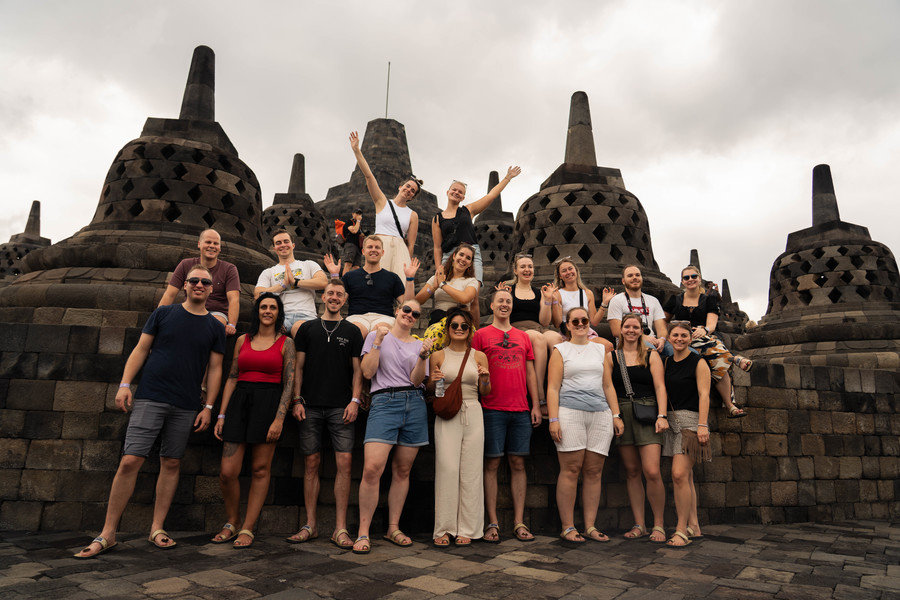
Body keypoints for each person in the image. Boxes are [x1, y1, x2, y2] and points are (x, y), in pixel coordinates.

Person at [74, 265, 225, 558]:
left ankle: (157, 527)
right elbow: (141, 349)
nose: (198, 285)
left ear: (211, 289)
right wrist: (125, 384)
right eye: (193, 280)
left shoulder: (215, 327)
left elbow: (216, 368)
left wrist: (208, 407)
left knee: (171, 461)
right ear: (185, 285)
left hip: (186, 403)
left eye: (205, 282)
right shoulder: (163, 314)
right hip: (151, 396)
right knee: (130, 460)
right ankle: (108, 533)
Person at [212, 293, 294, 549]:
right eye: (263, 307)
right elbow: (232, 377)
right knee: (227, 472)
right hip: (240, 402)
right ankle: (232, 521)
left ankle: (248, 526)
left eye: (272, 307)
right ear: (257, 311)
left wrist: (279, 419)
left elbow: (289, 384)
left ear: (278, 313)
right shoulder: (242, 340)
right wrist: (222, 414)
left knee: (260, 469)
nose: (267, 311)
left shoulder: (286, 343)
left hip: (269, 404)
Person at [286, 280, 364, 549]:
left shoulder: (352, 331)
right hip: (309, 405)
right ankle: (310, 524)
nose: (334, 297)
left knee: (345, 464)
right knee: (311, 464)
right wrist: (296, 399)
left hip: (341, 406)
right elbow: (298, 368)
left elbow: (357, 371)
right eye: (330, 293)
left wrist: (355, 401)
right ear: (323, 296)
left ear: (345, 299)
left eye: (339, 294)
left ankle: (340, 528)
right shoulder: (307, 328)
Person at [353, 300, 433, 554]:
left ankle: (393, 527)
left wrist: (423, 357)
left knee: (403, 470)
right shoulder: (376, 336)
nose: (410, 315)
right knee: (372, 469)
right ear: (397, 311)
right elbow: (367, 372)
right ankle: (363, 531)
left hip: (415, 402)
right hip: (384, 401)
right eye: (406, 310)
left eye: (415, 313)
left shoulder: (420, 344)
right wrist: (377, 341)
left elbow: (417, 380)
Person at [546, 307, 623, 544]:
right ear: (568, 325)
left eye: (584, 320)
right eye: (575, 321)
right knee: (571, 469)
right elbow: (552, 388)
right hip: (570, 413)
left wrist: (616, 414)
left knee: (594, 471)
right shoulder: (560, 350)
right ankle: (568, 526)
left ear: (589, 323)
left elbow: (608, 385)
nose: (580, 324)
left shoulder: (600, 349)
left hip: (600, 414)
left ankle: (590, 525)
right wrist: (553, 419)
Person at [472, 288, 541, 543]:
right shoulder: (480, 335)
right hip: (492, 408)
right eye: (500, 300)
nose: (504, 304)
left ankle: (519, 521)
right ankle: (492, 522)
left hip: (520, 408)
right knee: (491, 464)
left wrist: (536, 405)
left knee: (518, 463)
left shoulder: (523, 337)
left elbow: (531, 373)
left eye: (508, 301)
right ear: (491, 306)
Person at [428, 308, 491, 547]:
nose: (459, 329)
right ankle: (444, 528)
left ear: (470, 330)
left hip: (473, 410)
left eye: (464, 326)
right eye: (454, 325)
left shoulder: (479, 356)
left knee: (471, 471)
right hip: (448, 414)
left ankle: (468, 528)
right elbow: (433, 391)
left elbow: (485, 391)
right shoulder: (438, 356)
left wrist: (485, 379)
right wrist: (433, 383)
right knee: (447, 469)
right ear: (447, 329)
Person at [431, 168, 521, 319]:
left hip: (472, 255)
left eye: (460, 192)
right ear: (447, 192)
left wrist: (507, 178)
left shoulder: (468, 210)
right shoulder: (437, 218)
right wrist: (439, 266)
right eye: (454, 190)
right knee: (445, 294)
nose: (456, 193)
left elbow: (491, 196)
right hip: (449, 256)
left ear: (463, 197)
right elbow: (437, 246)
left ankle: (474, 332)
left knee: (473, 299)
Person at [611, 313, 669, 543]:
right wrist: (615, 415)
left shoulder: (651, 355)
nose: (631, 330)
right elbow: (608, 387)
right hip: (623, 411)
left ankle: (659, 524)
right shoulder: (612, 357)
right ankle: (640, 524)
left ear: (642, 331)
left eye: (636, 327)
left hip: (647, 411)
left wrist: (662, 415)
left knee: (652, 471)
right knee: (632, 471)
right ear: (621, 329)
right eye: (627, 326)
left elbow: (660, 386)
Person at [663, 265, 751, 418]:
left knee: (719, 361)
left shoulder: (708, 300)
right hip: (683, 338)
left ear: (699, 279)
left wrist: (704, 330)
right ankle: (734, 359)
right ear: (682, 281)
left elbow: (711, 324)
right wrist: (669, 335)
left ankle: (730, 405)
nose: (690, 280)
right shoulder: (675, 300)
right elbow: (663, 320)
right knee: (717, 355)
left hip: (703, 336)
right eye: (686, 277)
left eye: (693, 276)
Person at [663, 320, 712, 548]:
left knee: (679, 474)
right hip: (672, 423)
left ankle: (681, 530)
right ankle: (694, 526)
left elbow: (704, 395)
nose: (679, 339)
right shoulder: (666, 362)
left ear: (690, 339)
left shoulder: (698, 362)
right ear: (669, 338)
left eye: (684, 336)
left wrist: (703, 425)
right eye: (675, 335)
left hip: (691, 422)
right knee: (687, 477)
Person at [349, 131, 421, 281]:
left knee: (401, 285)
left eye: (412, 191)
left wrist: (408, 263)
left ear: (412, 197)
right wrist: (356, 150)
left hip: (400, 249)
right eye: (407, 186)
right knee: (376, 282)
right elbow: (369, 176)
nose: (409, 190)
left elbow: (411, 244)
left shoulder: (412, 215)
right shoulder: (382, 202)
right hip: (381, 245)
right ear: (400, 187)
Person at [325, 235, 418, 339]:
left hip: (384, 318)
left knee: (379, 332)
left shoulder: (392, 277)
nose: (373, 250)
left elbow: (408, 304)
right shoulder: (350, 276)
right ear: (363, 251)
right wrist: (334, 275)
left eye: (377, 247)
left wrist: (410, 279)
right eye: (370, 247)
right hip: (357, 317)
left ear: (382, 252)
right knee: (357, 332)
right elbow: (338, 299)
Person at [499, 253, 557, 407]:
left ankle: (556, 384)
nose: (527, 270)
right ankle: (539, 391)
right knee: (539, 338)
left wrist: (548, 300)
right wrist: (502, 296)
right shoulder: (509, 290)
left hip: (538, 327)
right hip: (517, 328)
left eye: (530, 267)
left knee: (556, 338)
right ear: (515, 271)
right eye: (523, 267)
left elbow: (545, 321)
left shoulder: (539, 292)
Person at [158, 229, 239, 337]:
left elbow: (234, 299)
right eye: (208, 242)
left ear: (220, 248)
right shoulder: (185, 264)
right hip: (189, 308)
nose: (212, 246)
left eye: (216, 243)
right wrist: (158, 318)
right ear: (199, 244)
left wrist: (232, 325)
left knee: (215, 324)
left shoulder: (229, 269)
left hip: (216, 313)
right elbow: (170, 294)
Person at [254, 230, 328, 337]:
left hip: (306, 316)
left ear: (293, 245)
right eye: (278, 243)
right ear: (274, 248)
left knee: (298, 327)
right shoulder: (268, 272)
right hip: (280, 317)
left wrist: (296, 282)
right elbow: (258, 294)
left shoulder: (308, 265)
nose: (283, 245)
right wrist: (282, 285)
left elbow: (323, 282)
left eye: (286, 241)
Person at [417, 243, 479, 353]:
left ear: (470, 264)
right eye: (461, 255)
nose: (463, 259)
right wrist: (433, 288)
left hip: (461, 323)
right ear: (454, 256)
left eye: (468, 258)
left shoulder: (471, 281)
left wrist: (443, 285)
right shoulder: (438, 277)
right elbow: (418, 301)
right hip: (438, 320)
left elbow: (465, 298)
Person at [550, 258, 614, 352]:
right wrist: (555, 302)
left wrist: (604, 303)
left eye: (570, 269)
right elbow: (557, 324)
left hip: (586, 333)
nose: (568, 272)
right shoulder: (558, 294)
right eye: (564, 271)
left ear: (576, 271)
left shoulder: (587, 293)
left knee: (608, 346)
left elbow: (594, 321)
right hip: (568, 335)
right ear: (560, 276)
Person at [607, 264, 672, 357]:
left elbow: (661, 327)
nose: (634, 278)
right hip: (629, 341)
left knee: (683, 353)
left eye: (637, 275)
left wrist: (662, 339)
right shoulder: (617, 300)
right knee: (653, 353)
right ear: (623, 281)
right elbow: (616, 331)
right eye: (630, 275)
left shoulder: (653, 300)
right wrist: (643, 337)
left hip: (653, 340)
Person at [340, 208, 365, 275]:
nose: (358, 215)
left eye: (360, 214)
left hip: (358, 247)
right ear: (353, 214)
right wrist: (358, 221)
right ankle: (344, 280)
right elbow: (354, 231)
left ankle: (352, 279)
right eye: (357, 213)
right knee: (348, 264)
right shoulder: (349, 222)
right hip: (350, 245)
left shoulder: (359, 225)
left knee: (357, 267)